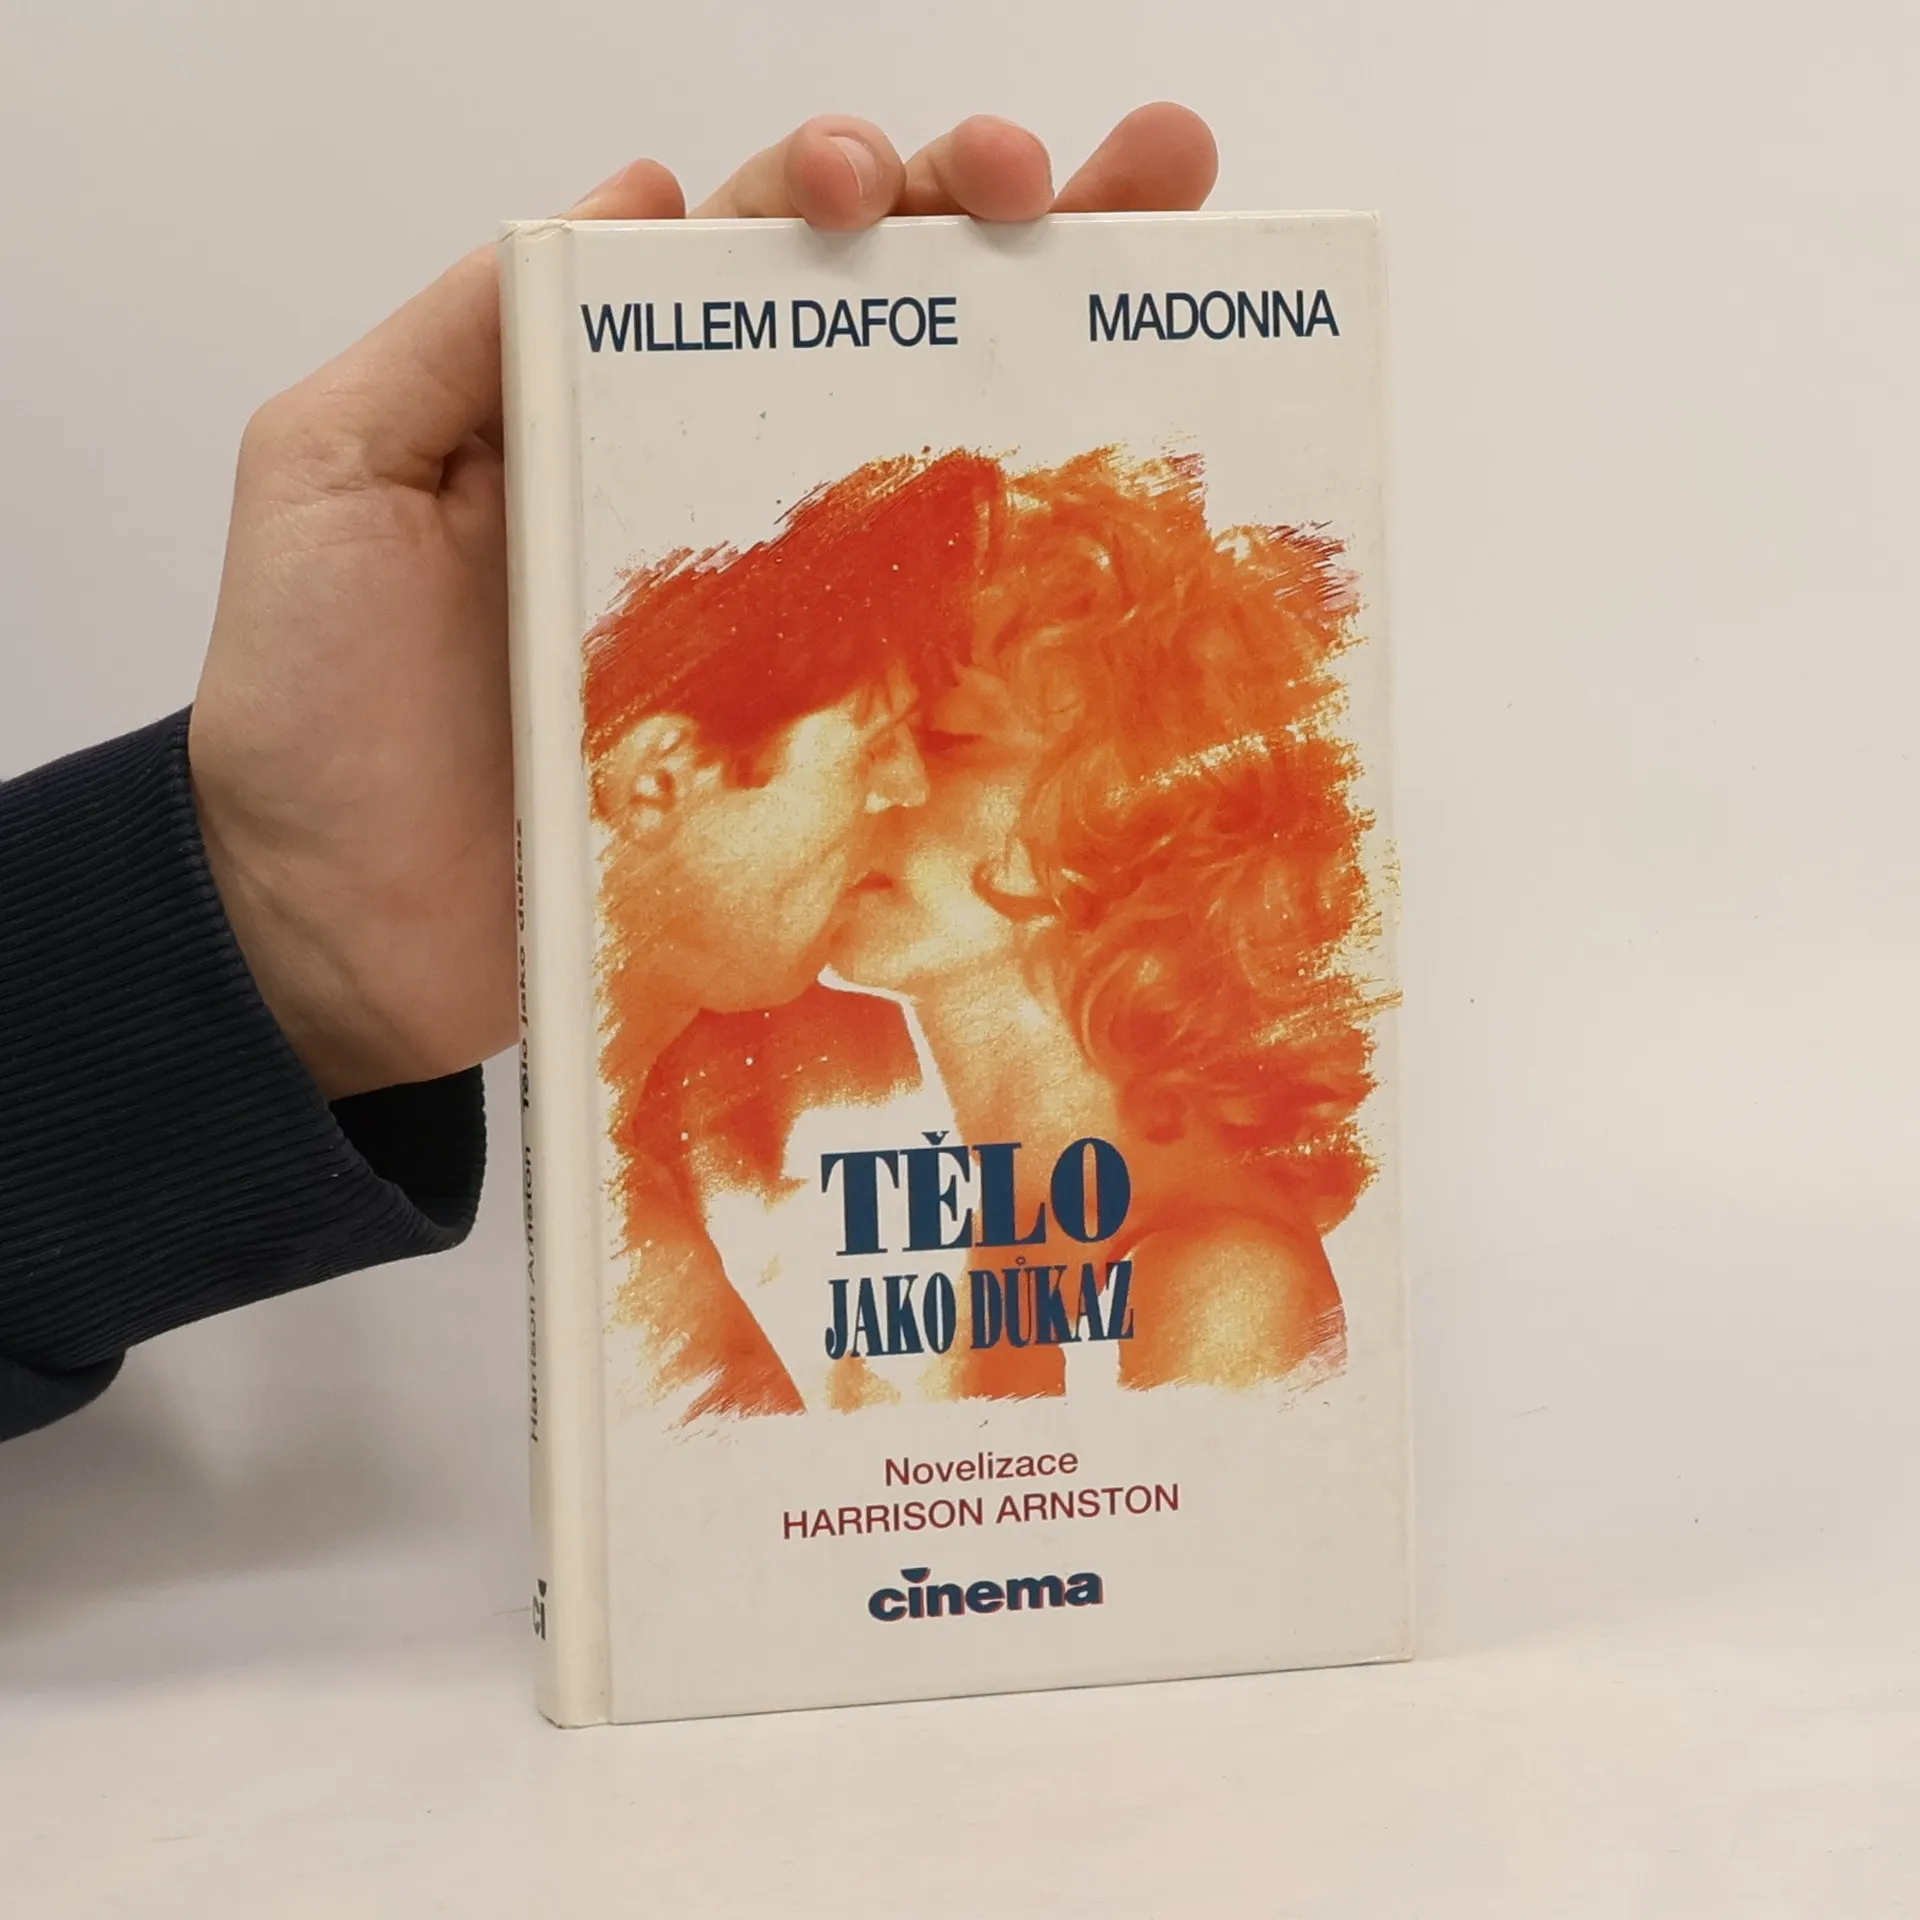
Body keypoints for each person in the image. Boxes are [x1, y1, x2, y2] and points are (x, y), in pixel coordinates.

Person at [0, 106, 1223, 1444]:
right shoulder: (739, 1137)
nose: (901, 791)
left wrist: (288, 937)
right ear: (660, 774)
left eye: (941, 740)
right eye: (888, 737)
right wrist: (278, 920)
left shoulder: (869, 1140)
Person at [827, 448, 1383, 1400]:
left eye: (946, 739)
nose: (874, 786)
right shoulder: (923, 1266)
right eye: (871, 740)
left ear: (1132, 812)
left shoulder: (1220, 1283)